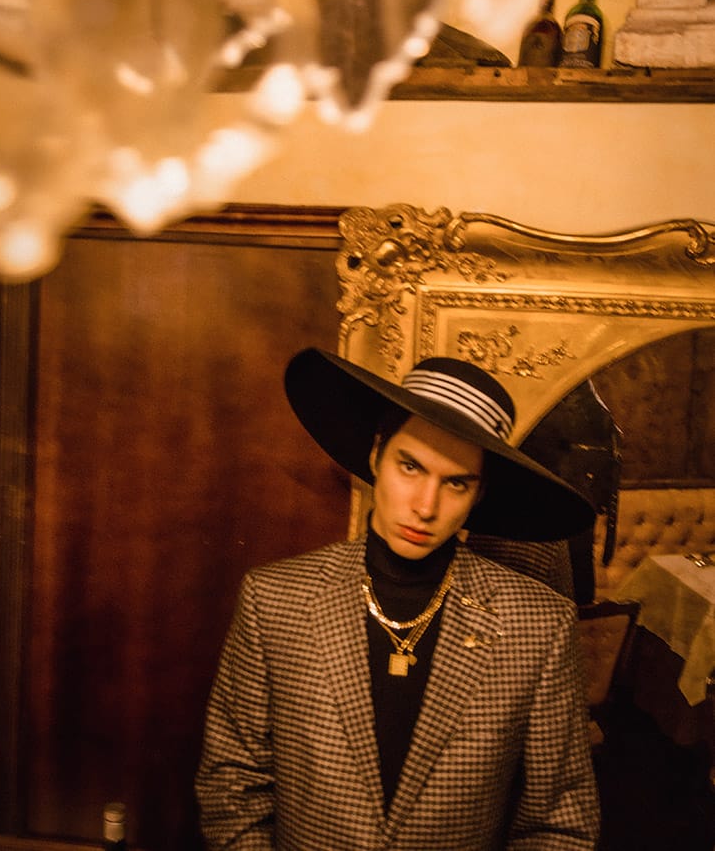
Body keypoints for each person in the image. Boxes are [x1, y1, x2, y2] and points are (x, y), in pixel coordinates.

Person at [195, 348, 600, 850]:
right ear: (376, 457)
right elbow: (232, 785)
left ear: (479, 495)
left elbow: (560, 821)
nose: (426, 506)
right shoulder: (275, 600)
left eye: (456, 483)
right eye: (410, 467)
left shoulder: (538, 626)